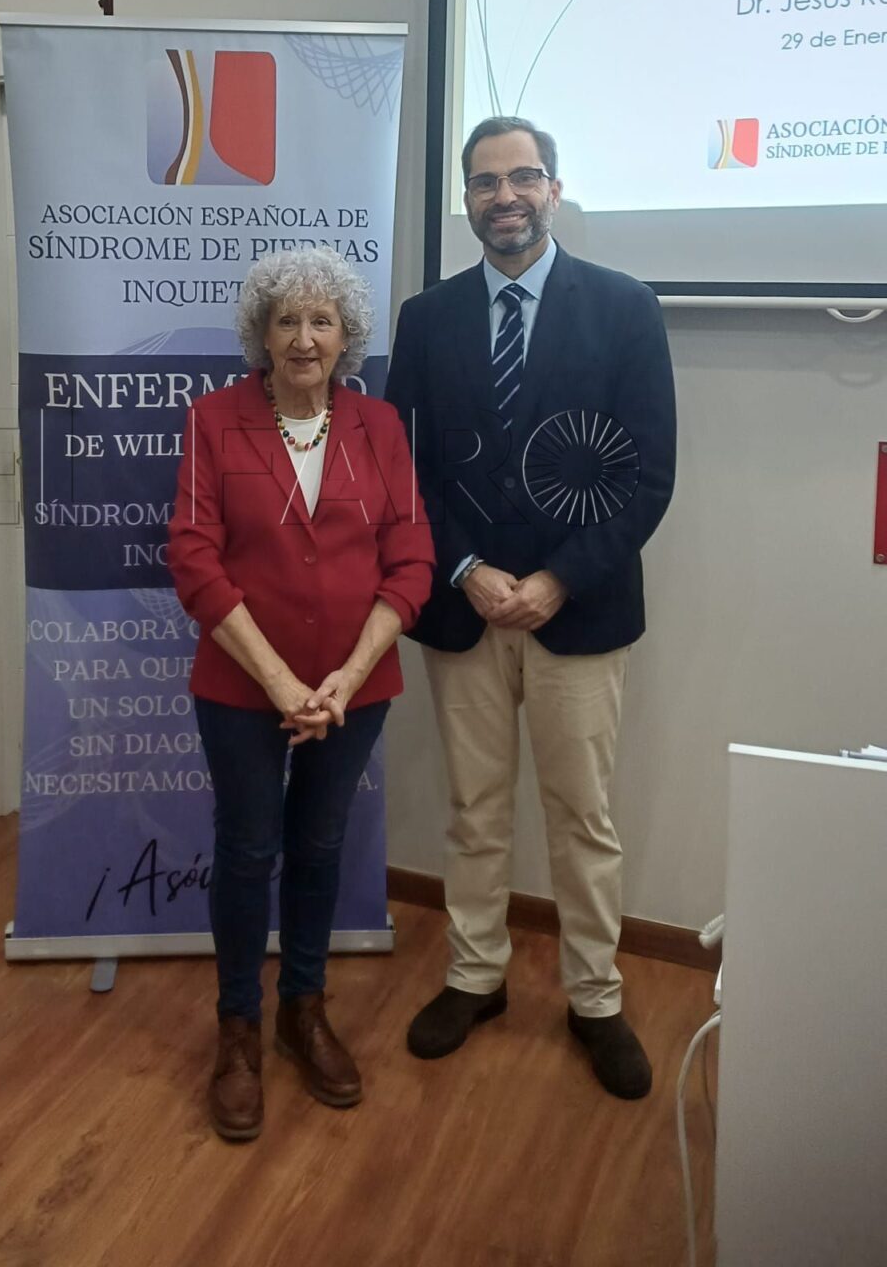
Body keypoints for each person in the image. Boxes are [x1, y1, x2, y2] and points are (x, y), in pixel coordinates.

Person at [385, 116, 676, 1099]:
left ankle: (595, 997)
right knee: (474, 810)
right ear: (466, 199)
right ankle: (476, 976)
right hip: (464, 608)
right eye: (484, 182)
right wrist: (465, 567)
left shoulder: (625, 309)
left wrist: (557, 579)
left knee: (582, 816)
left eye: (523, 177)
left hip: (578, 612)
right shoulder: (427, 319)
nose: (504, 196)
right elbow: (402, 469)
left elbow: (647, 475)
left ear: (553, 188)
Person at [168, 246, 433, 1141]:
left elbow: (412, 560)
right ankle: (238, 1029)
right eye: (287, 320)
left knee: (320, 846)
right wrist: (281, 681)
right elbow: (193, 558)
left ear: (347, 335)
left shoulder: (379, 427)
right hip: (242, 688)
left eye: (323, 320)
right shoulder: (214, 421)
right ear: (262, 334)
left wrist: (347, 678)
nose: (305, 338)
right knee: (248, 851)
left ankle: (303, 1009)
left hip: (355, 685)